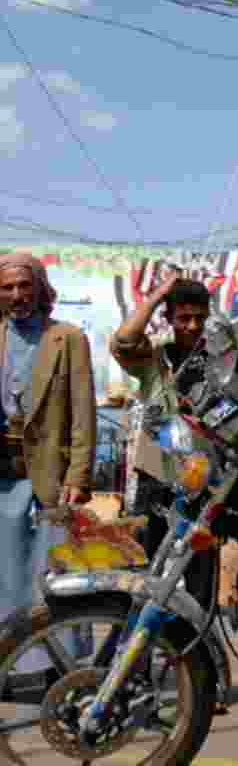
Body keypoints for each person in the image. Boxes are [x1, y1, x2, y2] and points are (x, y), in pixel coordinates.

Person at [0, 252, 96, 680]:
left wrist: (78, 474)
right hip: (4, 474)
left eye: (24, 285)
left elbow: (82, 412)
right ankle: (11, 668)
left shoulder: (68, 338)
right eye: (7, 287)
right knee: (6, 576)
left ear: (40, 288)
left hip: (52, 477)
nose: (17, 295)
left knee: (56, 577)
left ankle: (63, 671)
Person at [110, 274, 215, 609]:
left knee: (200, 580)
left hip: (203, 487)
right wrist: (158, 294)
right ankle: (139, 657)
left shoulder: (220, 361)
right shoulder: (154, 359)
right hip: (155, 482)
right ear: (169, 318)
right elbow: (124, 339)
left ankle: (197, 654)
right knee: (146, 577)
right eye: (183, 318)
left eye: (200, 318)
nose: (192, 326)